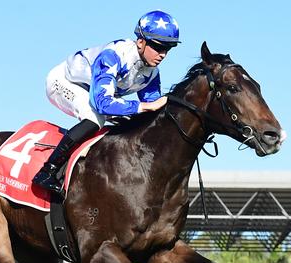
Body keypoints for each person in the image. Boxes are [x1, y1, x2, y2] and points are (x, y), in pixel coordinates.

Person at [32, 10, 180, 195]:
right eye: (158, 47)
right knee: (95, 118)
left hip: (94, 93)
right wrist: (142, 106)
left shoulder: (151, 73)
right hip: (64, 82)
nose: (163, 54)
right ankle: (47, 171)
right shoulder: (114, 55)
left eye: (168, 49)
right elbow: (102, 102)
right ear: (140, 41)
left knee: (132, 123)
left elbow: (154, 110)